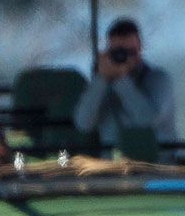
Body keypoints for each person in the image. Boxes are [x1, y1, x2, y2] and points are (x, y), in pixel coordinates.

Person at [72, 17, 177, 148]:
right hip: (114, 164)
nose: (125, 57)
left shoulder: (158, 79)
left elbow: (148, 120)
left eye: (131, 52)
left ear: (140, 48)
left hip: (154, 163)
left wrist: (121, 80)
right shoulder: (102, 84)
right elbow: (83, 123)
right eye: (118, 52)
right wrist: (101, 79)